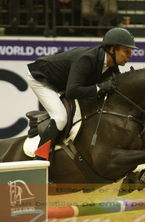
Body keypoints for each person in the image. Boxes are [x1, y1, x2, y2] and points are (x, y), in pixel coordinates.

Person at [26, 27, 137, 160]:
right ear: (112, 49)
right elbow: (72, 91)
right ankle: (40, 159)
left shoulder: (111, 64)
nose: (130, 55)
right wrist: (99, 88)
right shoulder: (87, 59)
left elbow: (117, 90)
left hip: (63, 82)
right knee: (60, 118)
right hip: (41, 79)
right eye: (127, 51)